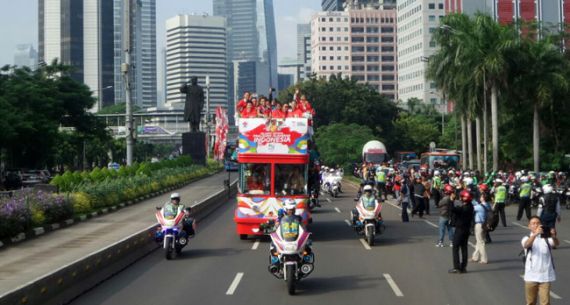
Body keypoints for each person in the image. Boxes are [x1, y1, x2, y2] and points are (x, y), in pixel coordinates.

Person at [522, 216, 559, 305]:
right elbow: (526, 245)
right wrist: (535, 235)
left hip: (545, 276)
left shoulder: (546, 238)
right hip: (531, 276)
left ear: (541, 225)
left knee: (545, 303)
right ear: (529, 226)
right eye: (533, 223)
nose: (535, 225)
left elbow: (556, 244)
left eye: (538, 223)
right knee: (530, 302)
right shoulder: (526, 238)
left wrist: (553, 236)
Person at [449, 190, 475, 274]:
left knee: (455, 248)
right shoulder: (470, 206)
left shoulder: (463, 208)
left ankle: (456, 267)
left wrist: (451, 200)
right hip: (466, 230)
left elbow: (452, 209)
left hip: (460, 229)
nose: (461, 198)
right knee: (464, 248)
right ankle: (463, 267)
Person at [471, 193, 491, 264]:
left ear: (483, 198)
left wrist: (470, 200)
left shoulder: (479, 207)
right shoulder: (488, 205)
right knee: (478, 241)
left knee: (481, 242)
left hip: (479, 224)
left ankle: (484, 259)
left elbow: (472, 208)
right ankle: (475, 257)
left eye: (481, 196)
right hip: (485, 224)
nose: (480, 197)